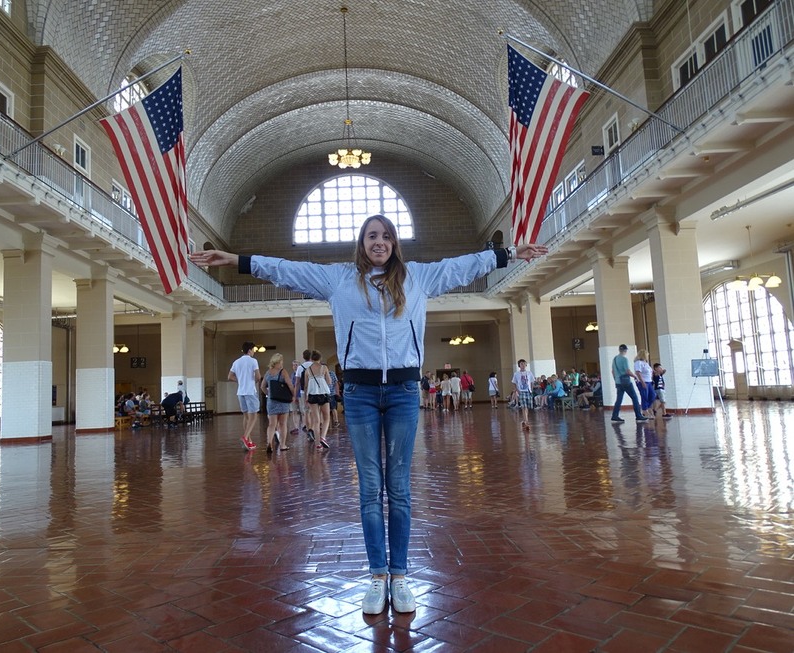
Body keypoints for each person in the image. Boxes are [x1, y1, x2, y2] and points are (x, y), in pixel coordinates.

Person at [190, 213, 546, 615]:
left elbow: (464, 265)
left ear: (395, 243)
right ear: (361, 243)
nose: (379, 242)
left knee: (399, 488)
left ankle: (401, 575)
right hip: (358, 393)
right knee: (369, 489)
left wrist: (511, 253)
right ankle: (377, 576)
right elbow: (286, 269)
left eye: (386, 236)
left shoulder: (418, 278)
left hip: (403, 391)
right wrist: (236, 260)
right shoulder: (338, 279)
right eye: (372, 236)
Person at [229, 341, 262, 451]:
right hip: (250, 392)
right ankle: (245, 437)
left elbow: (230, 376)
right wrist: (254, 381)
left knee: (246, 417)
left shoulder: (236, 362)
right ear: (249, 350)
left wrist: (240, 381)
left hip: (240, 392)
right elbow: (258, 376)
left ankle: (249, 441)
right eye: (253, 350)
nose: (254, 352)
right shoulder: (253, 361)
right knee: (254, 416)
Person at [260, 353, 294, 453]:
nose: (282, 363)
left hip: (271, 401)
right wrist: (293, 395)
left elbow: (262, 387)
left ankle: (269, 443)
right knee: (283, 424)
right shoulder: (283, 372)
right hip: (283, 401)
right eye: (281, 361)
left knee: (271, 424)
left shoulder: (268, 373)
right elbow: (290, 385)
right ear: (278, 362)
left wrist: (269, 394)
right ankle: (282, 445)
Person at [611, 344, 647, 423]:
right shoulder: (624, 359)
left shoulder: (615, 359)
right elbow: (627, 371)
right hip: (626, 382)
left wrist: (616, 380)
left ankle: (614, 415)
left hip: (618, 382)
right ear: (625, 350)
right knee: (634, 398)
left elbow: (613, 371)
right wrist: (635, 376)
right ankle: (638, 415)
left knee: (619, 400)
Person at [304, 350, 332, 450]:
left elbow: (306, 385)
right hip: (323, 393)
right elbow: (329, 381)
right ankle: (323, 437)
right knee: (326, 417)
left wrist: (305, 398)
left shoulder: (307, 370)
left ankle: (317, 444)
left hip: (312, 395)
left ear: (311, 358)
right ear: (320, 358)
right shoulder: (324, 368)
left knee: (316, 420)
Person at [511, 360, 535, 429]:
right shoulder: (516, 374)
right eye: (521, 364)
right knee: (523, 407)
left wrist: (531, 389)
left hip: (528, 391)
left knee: (526, 407)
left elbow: (532, 381)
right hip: (521, 391)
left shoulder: (529, 373)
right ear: (519, 365)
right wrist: (517, 390)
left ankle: (525, 420)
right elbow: (514, 382)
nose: (523, 365)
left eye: (524, 364)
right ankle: (526, 421)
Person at [634, 349, 655, 418]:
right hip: (643, 381)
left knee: (652, 395)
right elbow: (638, 372)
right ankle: (644, 410)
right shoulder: (638, 363)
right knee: (644, 396)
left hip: (649, 381)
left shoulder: (646, 363)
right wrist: (642, 382)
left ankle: (646, 407)